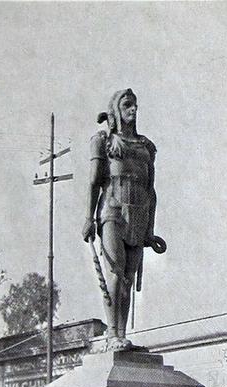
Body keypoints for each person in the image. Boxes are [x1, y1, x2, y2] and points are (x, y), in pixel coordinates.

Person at [82, 88, 163, 344]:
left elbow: (151, 191)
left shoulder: (146, 147)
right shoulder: (103, 142)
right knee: (115, 274)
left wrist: (150, 231)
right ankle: (112, 334)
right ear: (116, 109)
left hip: (138, 216)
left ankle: (122, 335)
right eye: (128, 105)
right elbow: (94, 182)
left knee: (127, 279)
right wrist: (88, 219)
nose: (133, 110)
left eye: (135, 105)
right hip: (112, 211)